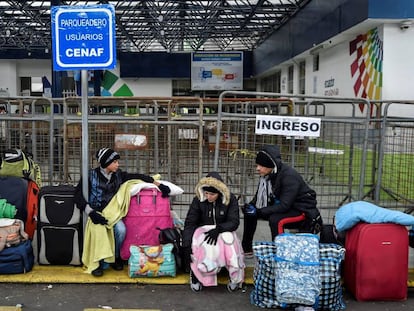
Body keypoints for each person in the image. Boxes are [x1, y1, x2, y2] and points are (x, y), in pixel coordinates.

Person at [74, 147, 171, 277]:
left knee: (121, 230)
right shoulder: (90, 176)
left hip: (113, 213)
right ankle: (98, 263)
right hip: (96, 213)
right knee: (99, 231)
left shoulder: (118, 175)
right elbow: (78, 195)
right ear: (106, 163)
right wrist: (90, 212)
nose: (117, 164)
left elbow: (139, 177)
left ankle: (115, 257)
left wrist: (158, 184)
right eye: (115, 162)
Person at [241, 144, 322, 257]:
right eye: (257, 165)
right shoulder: (267, 175)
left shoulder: (289, 176)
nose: (257, 168)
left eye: (261, 165)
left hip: (301, 210)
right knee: (250, 214)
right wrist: (250, 207)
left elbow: (285, 205)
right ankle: (246, 249)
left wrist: (259, 211)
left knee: (276, 220)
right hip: (284, 207)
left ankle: (279, 254)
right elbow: (258, 199)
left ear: (271, 165)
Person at [182, 172, 245, 293]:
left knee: (229, 241)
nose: (208, 196)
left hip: (223, 230)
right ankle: (197, 275)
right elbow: (190, 223)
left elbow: (234, 222)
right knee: (199, 244)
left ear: (220, 192)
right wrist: (186, 242)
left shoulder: (230, 199)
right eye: (206, 193)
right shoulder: (198, 200)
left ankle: (235, 276)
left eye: (212, 194)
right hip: (203, 231)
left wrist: (219, 228)